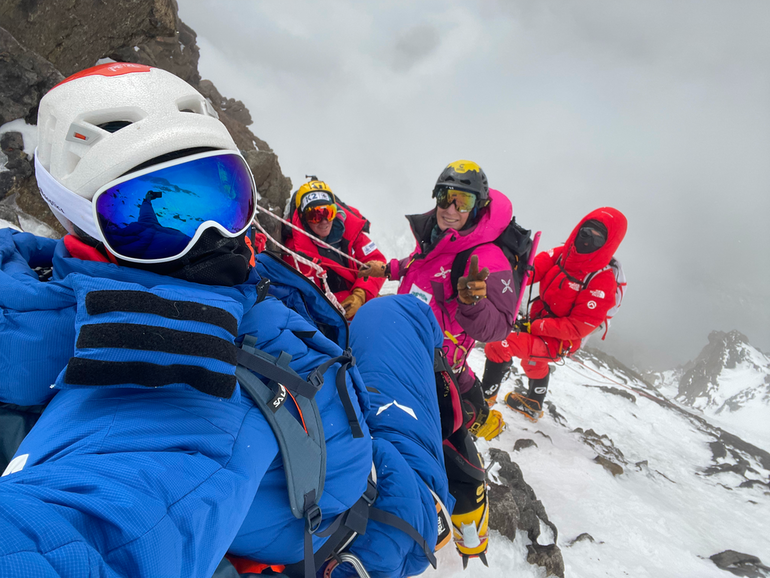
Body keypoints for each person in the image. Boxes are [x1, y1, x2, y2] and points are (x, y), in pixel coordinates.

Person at [0, 62, 451, 578]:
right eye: (150, 217)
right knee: (404, 312)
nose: (212, 235)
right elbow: (81, 530)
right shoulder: (170, 373)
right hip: (379, 517)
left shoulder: (37, 281)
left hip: (329, 448)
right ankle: (456, 486)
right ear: (80, 218)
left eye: (224, 196)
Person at [358, 160, 518, 565]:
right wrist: (389, 268)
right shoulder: (437, 234)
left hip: (436, 366)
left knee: (449, 448)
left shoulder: (487, 256)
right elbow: (420, 269)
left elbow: (498, 327)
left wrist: (473, 303)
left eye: (461, 200)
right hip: (405, 348)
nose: (450, 207)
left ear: (479, 206)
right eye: (444, 196)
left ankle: (469, 535)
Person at [482, 208, 628, 421]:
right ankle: (533, 403)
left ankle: (481, 404)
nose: (588, 242)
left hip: (561, 341)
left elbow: (577, 327)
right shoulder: (563, 254)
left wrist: (535, 327)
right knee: (532, 362)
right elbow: (529, 272)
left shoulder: (601, 281)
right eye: (585, 233)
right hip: (538, 323)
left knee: (498, 345)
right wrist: (505, 265)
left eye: (598, 239)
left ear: (609, 244)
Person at [282, 178, 386, 319]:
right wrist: (352, 300)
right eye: (315, 215)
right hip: (334, 320)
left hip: (364, 305)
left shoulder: (351, 231)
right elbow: (312, 299)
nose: (324, 221)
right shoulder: (296, 251)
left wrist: (361, 294)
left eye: (328, 213)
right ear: (302, 217)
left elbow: (376, 262)